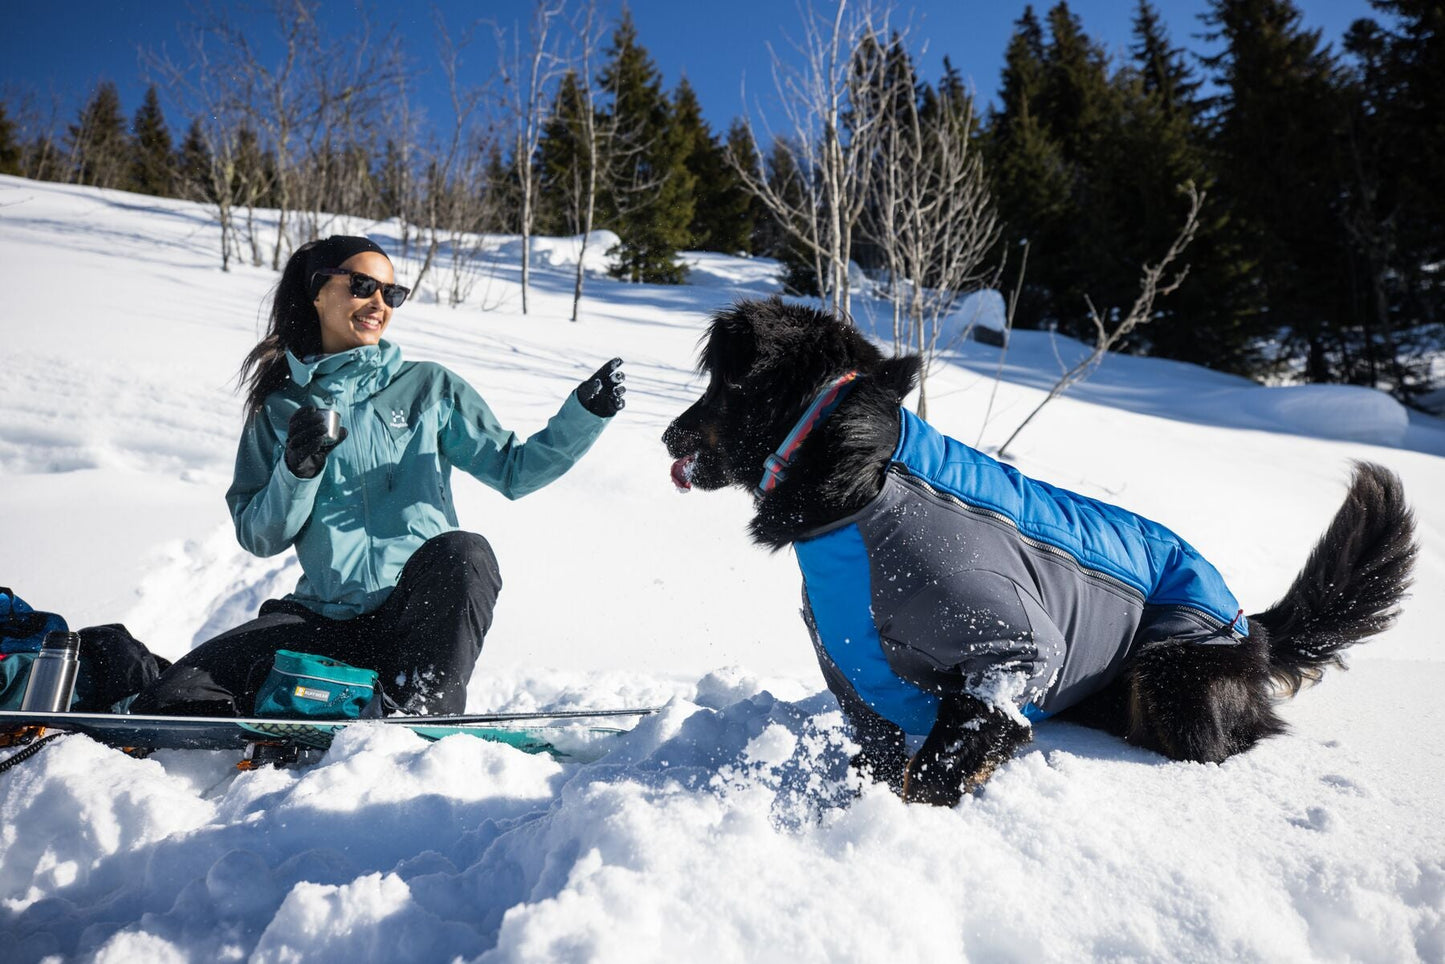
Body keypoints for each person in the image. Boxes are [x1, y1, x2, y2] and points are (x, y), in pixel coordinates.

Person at [131, 235, 625, 717]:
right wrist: (296, 470)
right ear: (318, 289)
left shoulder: (429, 387)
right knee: (175, 698)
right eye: (364, 285)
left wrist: (584, 414)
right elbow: (260, 537)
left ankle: (422, 711)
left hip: (412, 620)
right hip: (322, 618)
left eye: (392, 293)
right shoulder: (280, 407)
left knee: (465, 552)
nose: (379, 303)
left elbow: (513, 472)